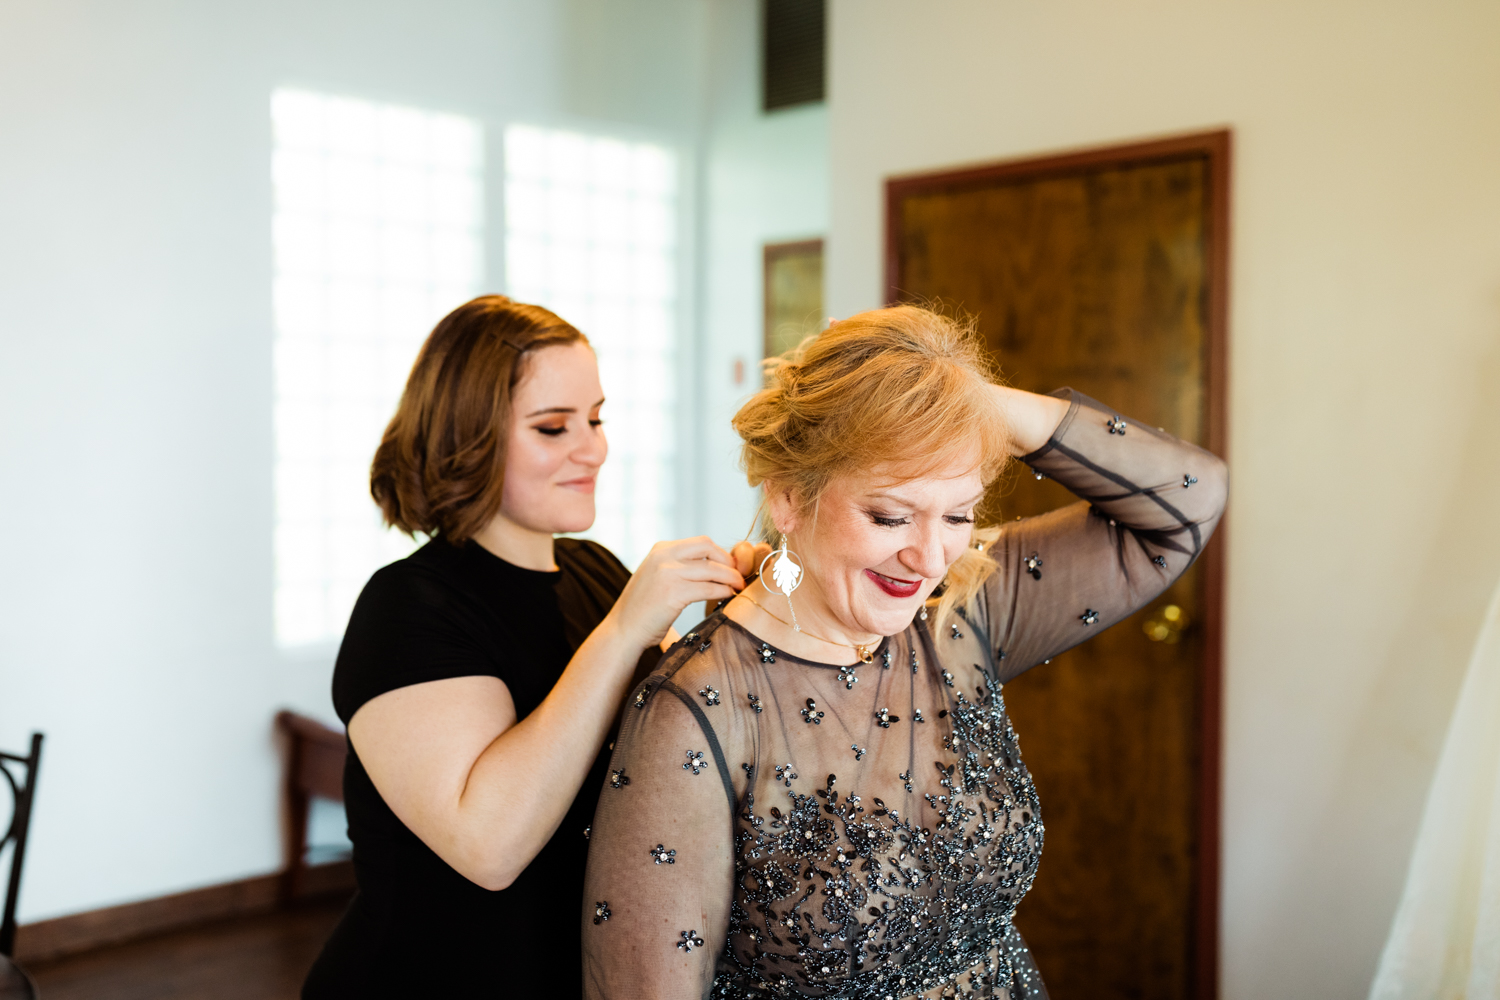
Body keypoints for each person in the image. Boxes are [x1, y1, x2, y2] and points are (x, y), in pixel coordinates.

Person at [580, 305, 1229, 999]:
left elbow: (1187, 502)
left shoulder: (960, 607)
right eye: (889, 516)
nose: (927, 557)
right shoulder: (697, 709)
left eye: (958, 515)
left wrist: (964, 398)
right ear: (790, 498)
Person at [303, 296, 761, 998]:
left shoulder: (597, 571)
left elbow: (678, 751)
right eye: (554, 427)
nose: (594, 448)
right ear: (469, 436)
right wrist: (622, 632)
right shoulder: (407, 607)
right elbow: (490, 846)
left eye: (596, 418)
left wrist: (735, 627)